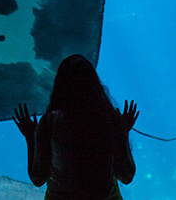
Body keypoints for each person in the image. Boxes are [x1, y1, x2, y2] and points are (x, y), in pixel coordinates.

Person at [13, 54, 139, 200]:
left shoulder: (51, 122)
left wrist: (31, 136)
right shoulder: (108, 118)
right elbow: (126, 176)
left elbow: (38, 178)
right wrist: (123, 132)